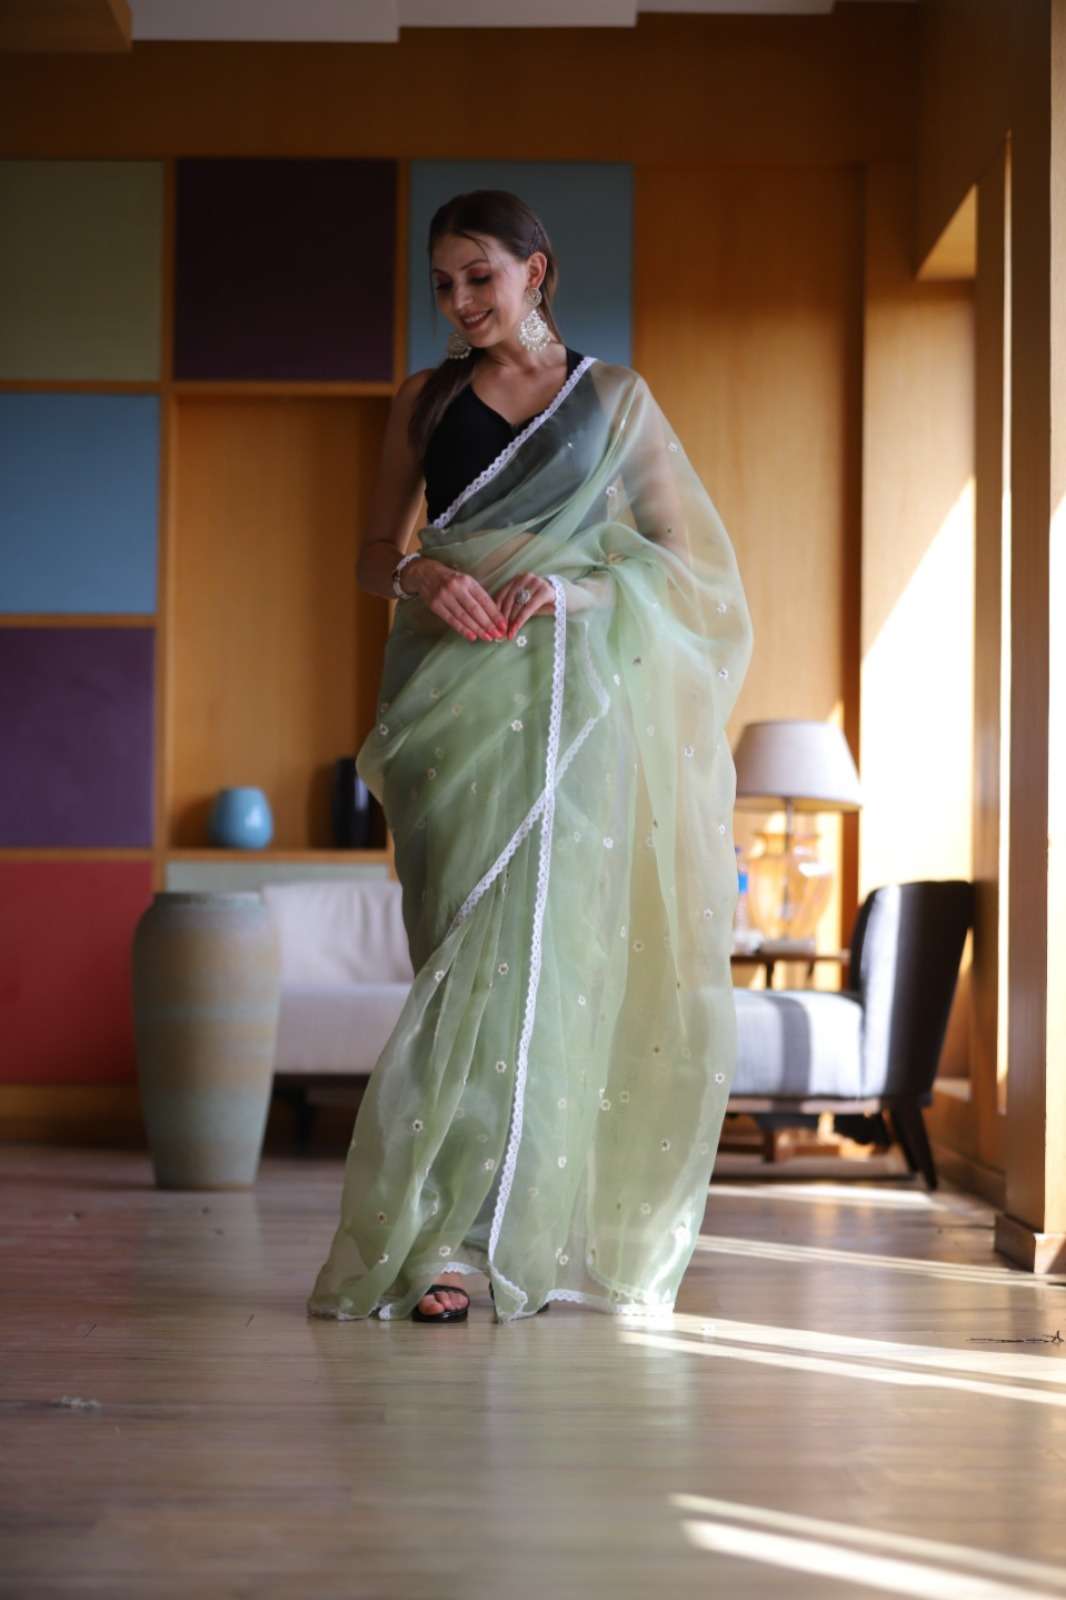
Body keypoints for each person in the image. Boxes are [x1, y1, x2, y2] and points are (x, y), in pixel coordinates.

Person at [307, 190, 754, 1325]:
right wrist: (419, 574)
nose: (460, 302)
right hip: (447, 704)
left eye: (481, 278)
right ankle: (435, 1233)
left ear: (535, 272)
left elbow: (685, 565)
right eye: (443, 284)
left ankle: (501, 1238)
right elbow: (371, 550)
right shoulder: (424, 399)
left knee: (555, 961)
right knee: (456, 950)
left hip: (570, 703)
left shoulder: (612, 400)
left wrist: (573, 588)